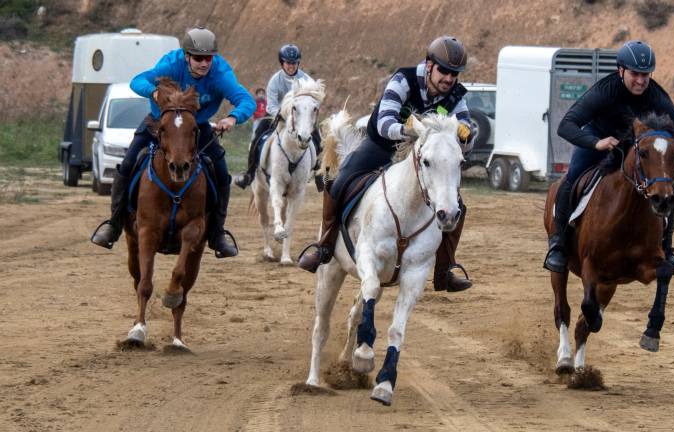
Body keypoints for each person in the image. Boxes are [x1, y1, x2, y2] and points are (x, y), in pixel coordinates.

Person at [297, 36, 475, 293]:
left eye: (454, 74)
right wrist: (409, 128)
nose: (449, 78)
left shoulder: (457, 96)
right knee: (340, 180)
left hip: (420, 157)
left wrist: (465, 133)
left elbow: (467, 135)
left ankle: (445, 269)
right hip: (381, 147)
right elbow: (383, 123)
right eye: (444, 71)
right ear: (428, 65)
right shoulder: (403, 80)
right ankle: (324, 245)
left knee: (456, 204)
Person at [90, 26, 255, 258]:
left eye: (209, 58)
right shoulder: (171, 64)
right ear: (186, 56)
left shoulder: (220, 73)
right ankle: (114, 224)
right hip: (160, 124)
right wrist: (153, 92)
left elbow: (246, 100)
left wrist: (232, 117)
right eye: (198, 58)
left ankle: (217, 234)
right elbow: (138, 81)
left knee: (221, 174)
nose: (204, 63)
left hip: (197, 127)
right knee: (127, 165)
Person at [543, 40, 674, 275]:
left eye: (646, 74)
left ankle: (667, 248)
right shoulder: (604, 92)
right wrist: (596, 142)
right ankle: (559, 246)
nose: (641, 80)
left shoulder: (656, 95)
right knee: (571, 179)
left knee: (666, 189)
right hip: (599, 141)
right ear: (620, 70)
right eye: (635, 74)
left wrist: (665, 149)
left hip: (637, 151)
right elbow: (566, 125)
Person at [233, 44, 323, 190]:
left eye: (294, 63)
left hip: (301, 118)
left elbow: (315, 99)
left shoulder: (307, 80)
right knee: (257, 135)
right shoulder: (275, 81)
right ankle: (249, 174)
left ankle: (319, 172)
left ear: (298, 63)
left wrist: (307, 114)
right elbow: (271, 106)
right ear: (282, 63)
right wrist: (285, 116)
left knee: (318, 139)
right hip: (277, 116)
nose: (291, 66)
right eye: (288, 63)